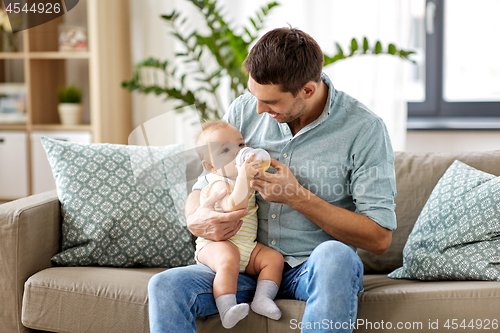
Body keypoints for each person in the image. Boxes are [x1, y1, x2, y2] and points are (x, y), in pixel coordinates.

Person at [148, 27, 397, 333]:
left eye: (270, 102)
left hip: (312, 269)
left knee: (335, 255)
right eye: (255, 95)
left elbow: (380, 237)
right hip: (245, 265)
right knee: (165, 285)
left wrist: (297, 196)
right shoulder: (243, 109)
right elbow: (205, 182)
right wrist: (195, 216)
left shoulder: (365, 129)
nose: (258, 109)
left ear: (307, 89)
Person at [193, 120, 284, 329]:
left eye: (241, 145)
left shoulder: (243, 178)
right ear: (210, 166)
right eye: (226, 150)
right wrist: (243, 175)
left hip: (246, 247)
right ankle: (226, 309)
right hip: (216, 247)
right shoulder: (217, 182)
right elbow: (233, 205)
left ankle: (263, 299)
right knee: (228, 257)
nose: (238, 153)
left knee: (274, 259)